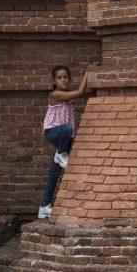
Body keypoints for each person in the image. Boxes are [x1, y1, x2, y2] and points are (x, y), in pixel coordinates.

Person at [39, 66, 88, 219]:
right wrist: (88, 73)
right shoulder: (56, 94)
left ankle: (44, 206)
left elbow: (84, 93)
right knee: (67, 128)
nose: (63, 80)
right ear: (54, 81)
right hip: (54, 132)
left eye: (66, 77)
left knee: (54, 172)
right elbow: (80, 92)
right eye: (60, 78)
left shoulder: (67, 95)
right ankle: (61, 153)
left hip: (65, 137)